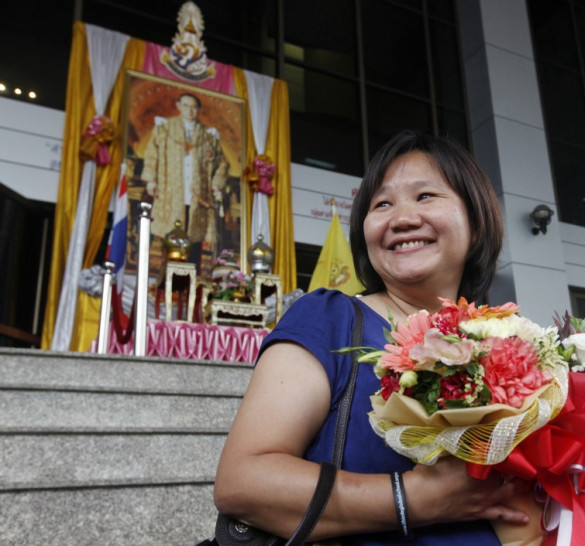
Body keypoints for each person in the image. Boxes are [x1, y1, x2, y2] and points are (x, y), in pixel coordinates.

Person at [213, 130, 528, 544]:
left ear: (476, 219)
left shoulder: (511, 347)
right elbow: (243, 482)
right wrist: (411, 499)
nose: (402, 218)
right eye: (382, 204)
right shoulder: (330, 318)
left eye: (425, 196)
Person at [141, 92, 229, 271]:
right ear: (179, 106)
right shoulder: (164, 128)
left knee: (194, 242)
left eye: (194, 107)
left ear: (198, 110)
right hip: (171, 194)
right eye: (186, 106)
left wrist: (216, 184)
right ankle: (167, 280)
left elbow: (222, 164)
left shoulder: (208, 135)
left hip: (197, 198)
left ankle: (191, 283)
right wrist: (151, 180)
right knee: (171, 238)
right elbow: (151, 155)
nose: (190, 110)